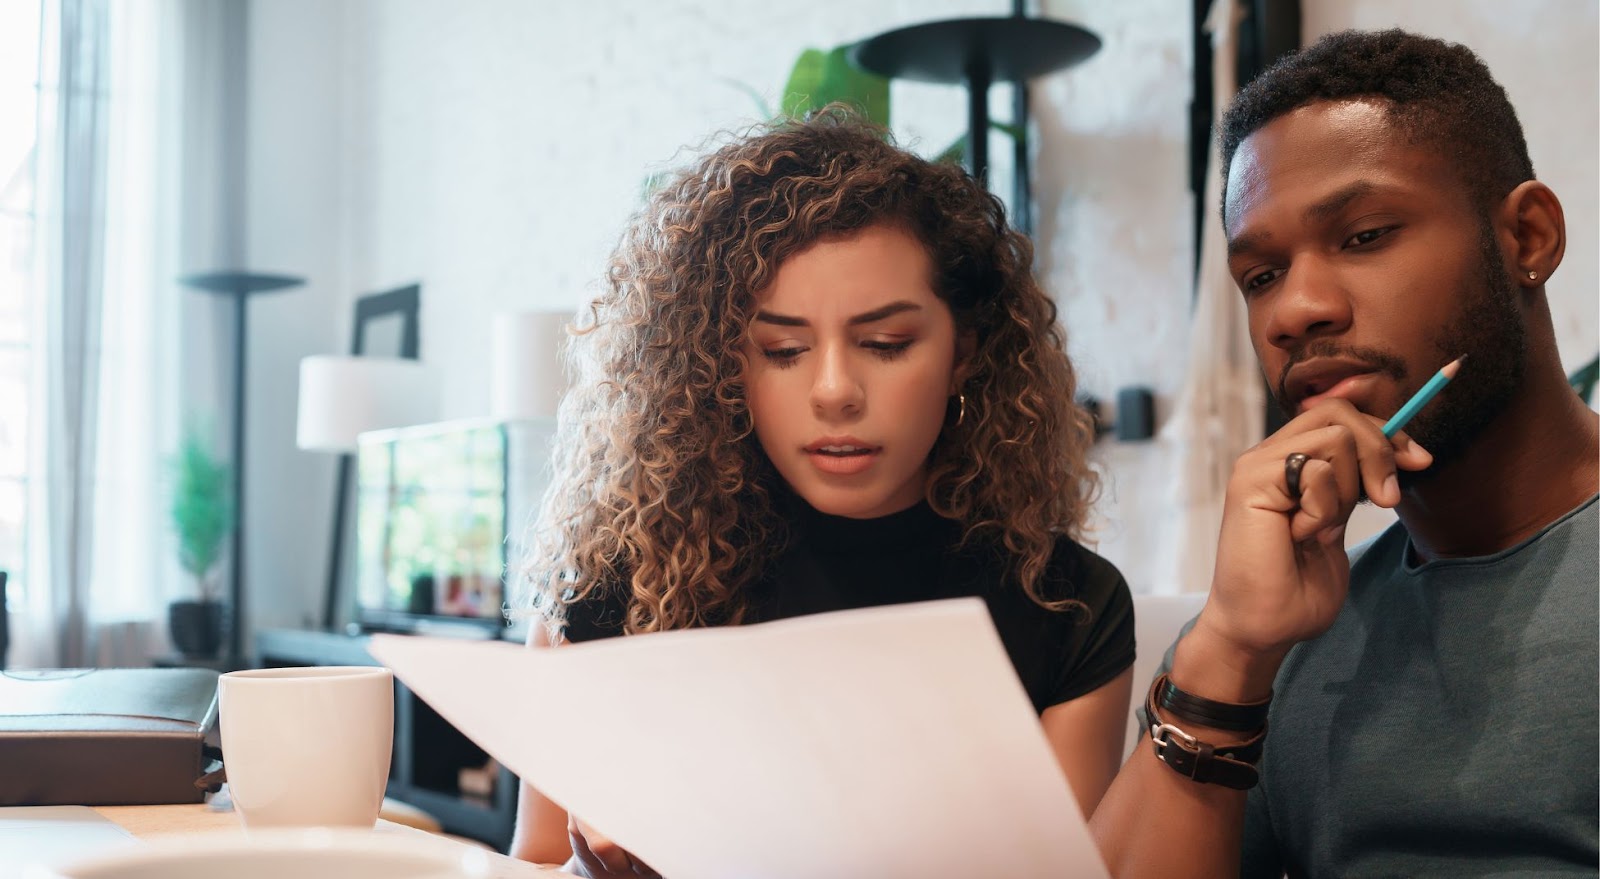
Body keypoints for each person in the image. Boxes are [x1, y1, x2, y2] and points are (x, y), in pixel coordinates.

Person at [507, 108, 1137, 875]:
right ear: (723, 367)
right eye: (783, 350)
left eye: (885, 344)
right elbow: (538, 858)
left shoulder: (1064, 605)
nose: (835, 390)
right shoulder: (618, 586)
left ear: (964, 353)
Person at [1091, 29, 1599, 878]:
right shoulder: (1282, 629)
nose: (1296, 310)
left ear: (1529, 237)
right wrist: (1229, 645)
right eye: (1260, 277)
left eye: (1364, 235)